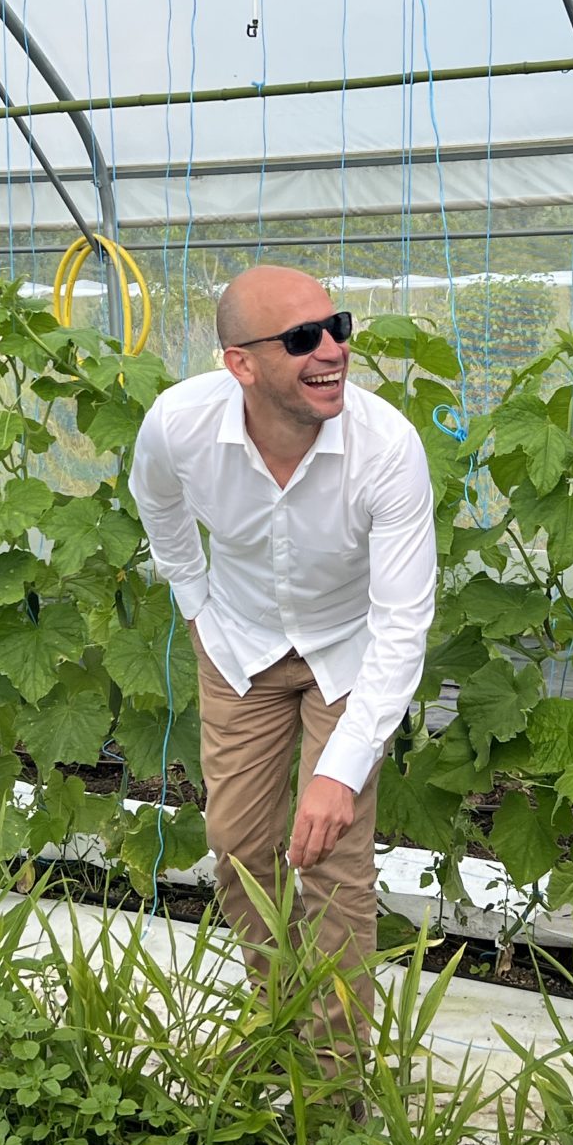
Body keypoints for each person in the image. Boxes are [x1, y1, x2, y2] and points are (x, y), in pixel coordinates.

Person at [128, 266, 435, 1066]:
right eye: (303, 339)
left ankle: (336, 1084)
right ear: (241, 363)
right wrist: (193, 599)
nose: (331, 349)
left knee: (333, 861)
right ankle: (278, 1028)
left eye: (338, 326)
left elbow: (403, 621)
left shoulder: (387, 448)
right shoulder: (179, 425)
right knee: (237, 844)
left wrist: (341, 769)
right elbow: (155, 502)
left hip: (348, 653)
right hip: (240, 646)